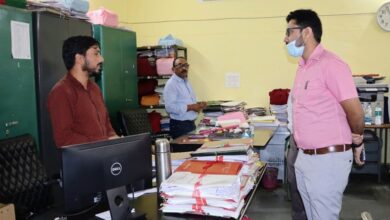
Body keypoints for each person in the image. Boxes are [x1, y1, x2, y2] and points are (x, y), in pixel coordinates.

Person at [284, 9, 365, 220]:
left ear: (306, 32)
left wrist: (357, 139)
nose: (285, 38)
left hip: (327, 159)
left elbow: (355, 112)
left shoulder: (332, 65)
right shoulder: (303, 67)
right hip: (305, 157)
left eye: (289, 32)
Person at [48, 36, 119, 148]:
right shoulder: (61, 92)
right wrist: (104, 141)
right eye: (96, 53)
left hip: (103, 156)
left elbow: (107, 125)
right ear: (79, 58)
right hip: (81, 162)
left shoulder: (95, 88)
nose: (101, 59)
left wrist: (117, 142)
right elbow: (64, 139)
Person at [163, 57, 207, 139]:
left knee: (192, 150)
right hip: (180, 126)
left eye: (186, 65)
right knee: (184, 150)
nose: (184, 68)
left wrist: (199, 104)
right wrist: (191, 107)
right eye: (180, 65)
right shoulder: (171, 84)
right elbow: (169, 107)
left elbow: (189, 99)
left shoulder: (185, 81)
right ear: (173, 69)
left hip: (190, 124)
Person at [286, 93, 307, 220]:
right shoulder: (297, 87)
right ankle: (299, 216)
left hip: (317, 142)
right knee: (294, 181)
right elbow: (291, 110)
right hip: (296, 138)